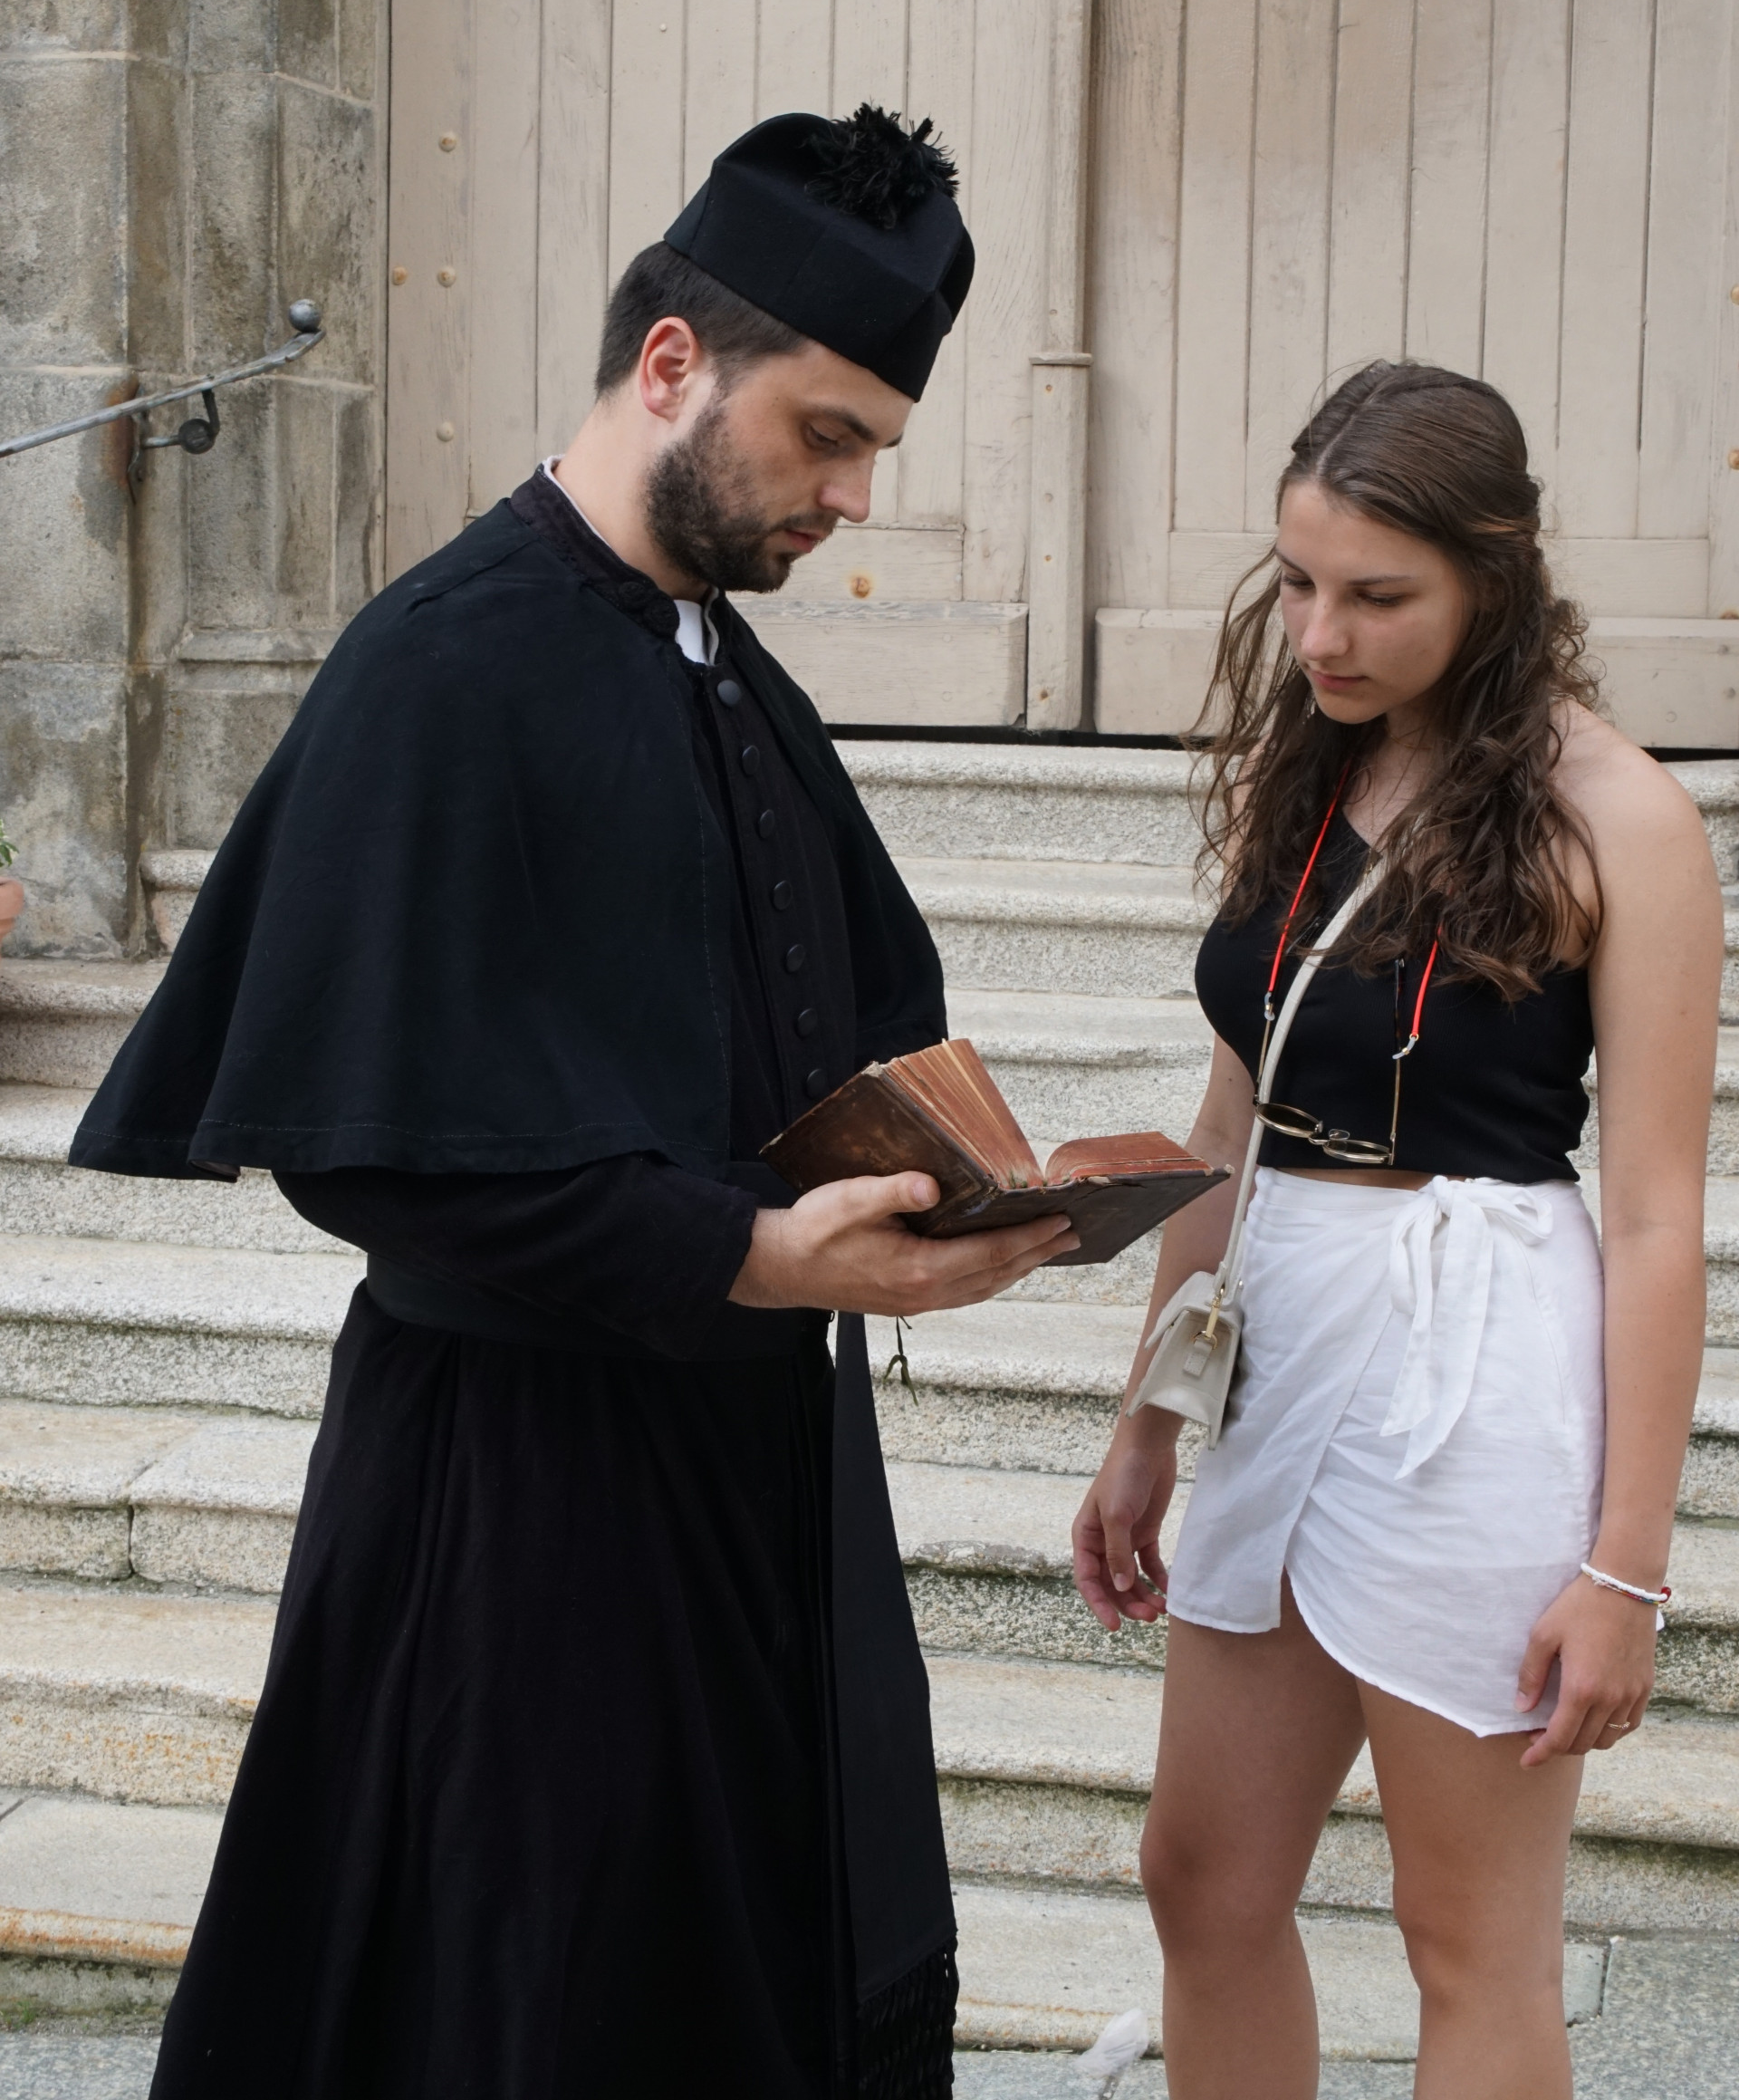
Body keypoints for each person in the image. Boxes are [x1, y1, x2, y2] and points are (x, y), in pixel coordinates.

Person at [73, 106, 1078, 2100]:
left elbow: (829, 1029)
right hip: (523, 1508)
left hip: (756, 1476)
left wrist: (941, 1190)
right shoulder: (444, 664)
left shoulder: (728, 668)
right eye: (830, 434)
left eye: (879, 446)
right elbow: (373, 1145)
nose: (856, 494)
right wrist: (751, 1251)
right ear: (672, 362)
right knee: (540, 1997)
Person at [1071, 361, 1720, 2100]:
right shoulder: (1310, 769)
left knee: (1467, 1935)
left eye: (1376, 595)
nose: (1321, 634)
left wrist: (1625, 1569)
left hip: (1478, 1349)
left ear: (1494, 581)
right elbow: (1227, 1129)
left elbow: (1658, 1215)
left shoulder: (1625, 817)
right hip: (1277, 1321)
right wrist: (1145, 1423)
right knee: (1202, 1878)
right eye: (1297, 583)